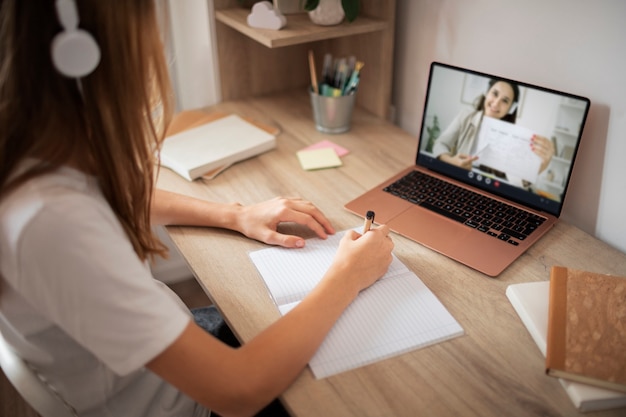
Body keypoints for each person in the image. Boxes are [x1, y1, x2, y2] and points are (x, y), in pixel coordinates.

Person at [0, 2, 394, 417]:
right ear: (88, 56)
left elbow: (117, 197)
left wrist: (234, 214)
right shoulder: (52, 224)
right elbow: (238, 391)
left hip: (169, 352)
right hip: (187, 401)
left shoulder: (35, 158)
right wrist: (347, 276)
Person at [432, 78, 555, 176]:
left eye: (505, 101)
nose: (496, 103)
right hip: (459, 179)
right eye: (494, 94)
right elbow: (440, 144)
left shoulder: (514, 137)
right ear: (487, 93)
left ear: (511, 108)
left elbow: (514, 179)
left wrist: (537, 169)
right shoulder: (465, 116)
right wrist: (451, 161)